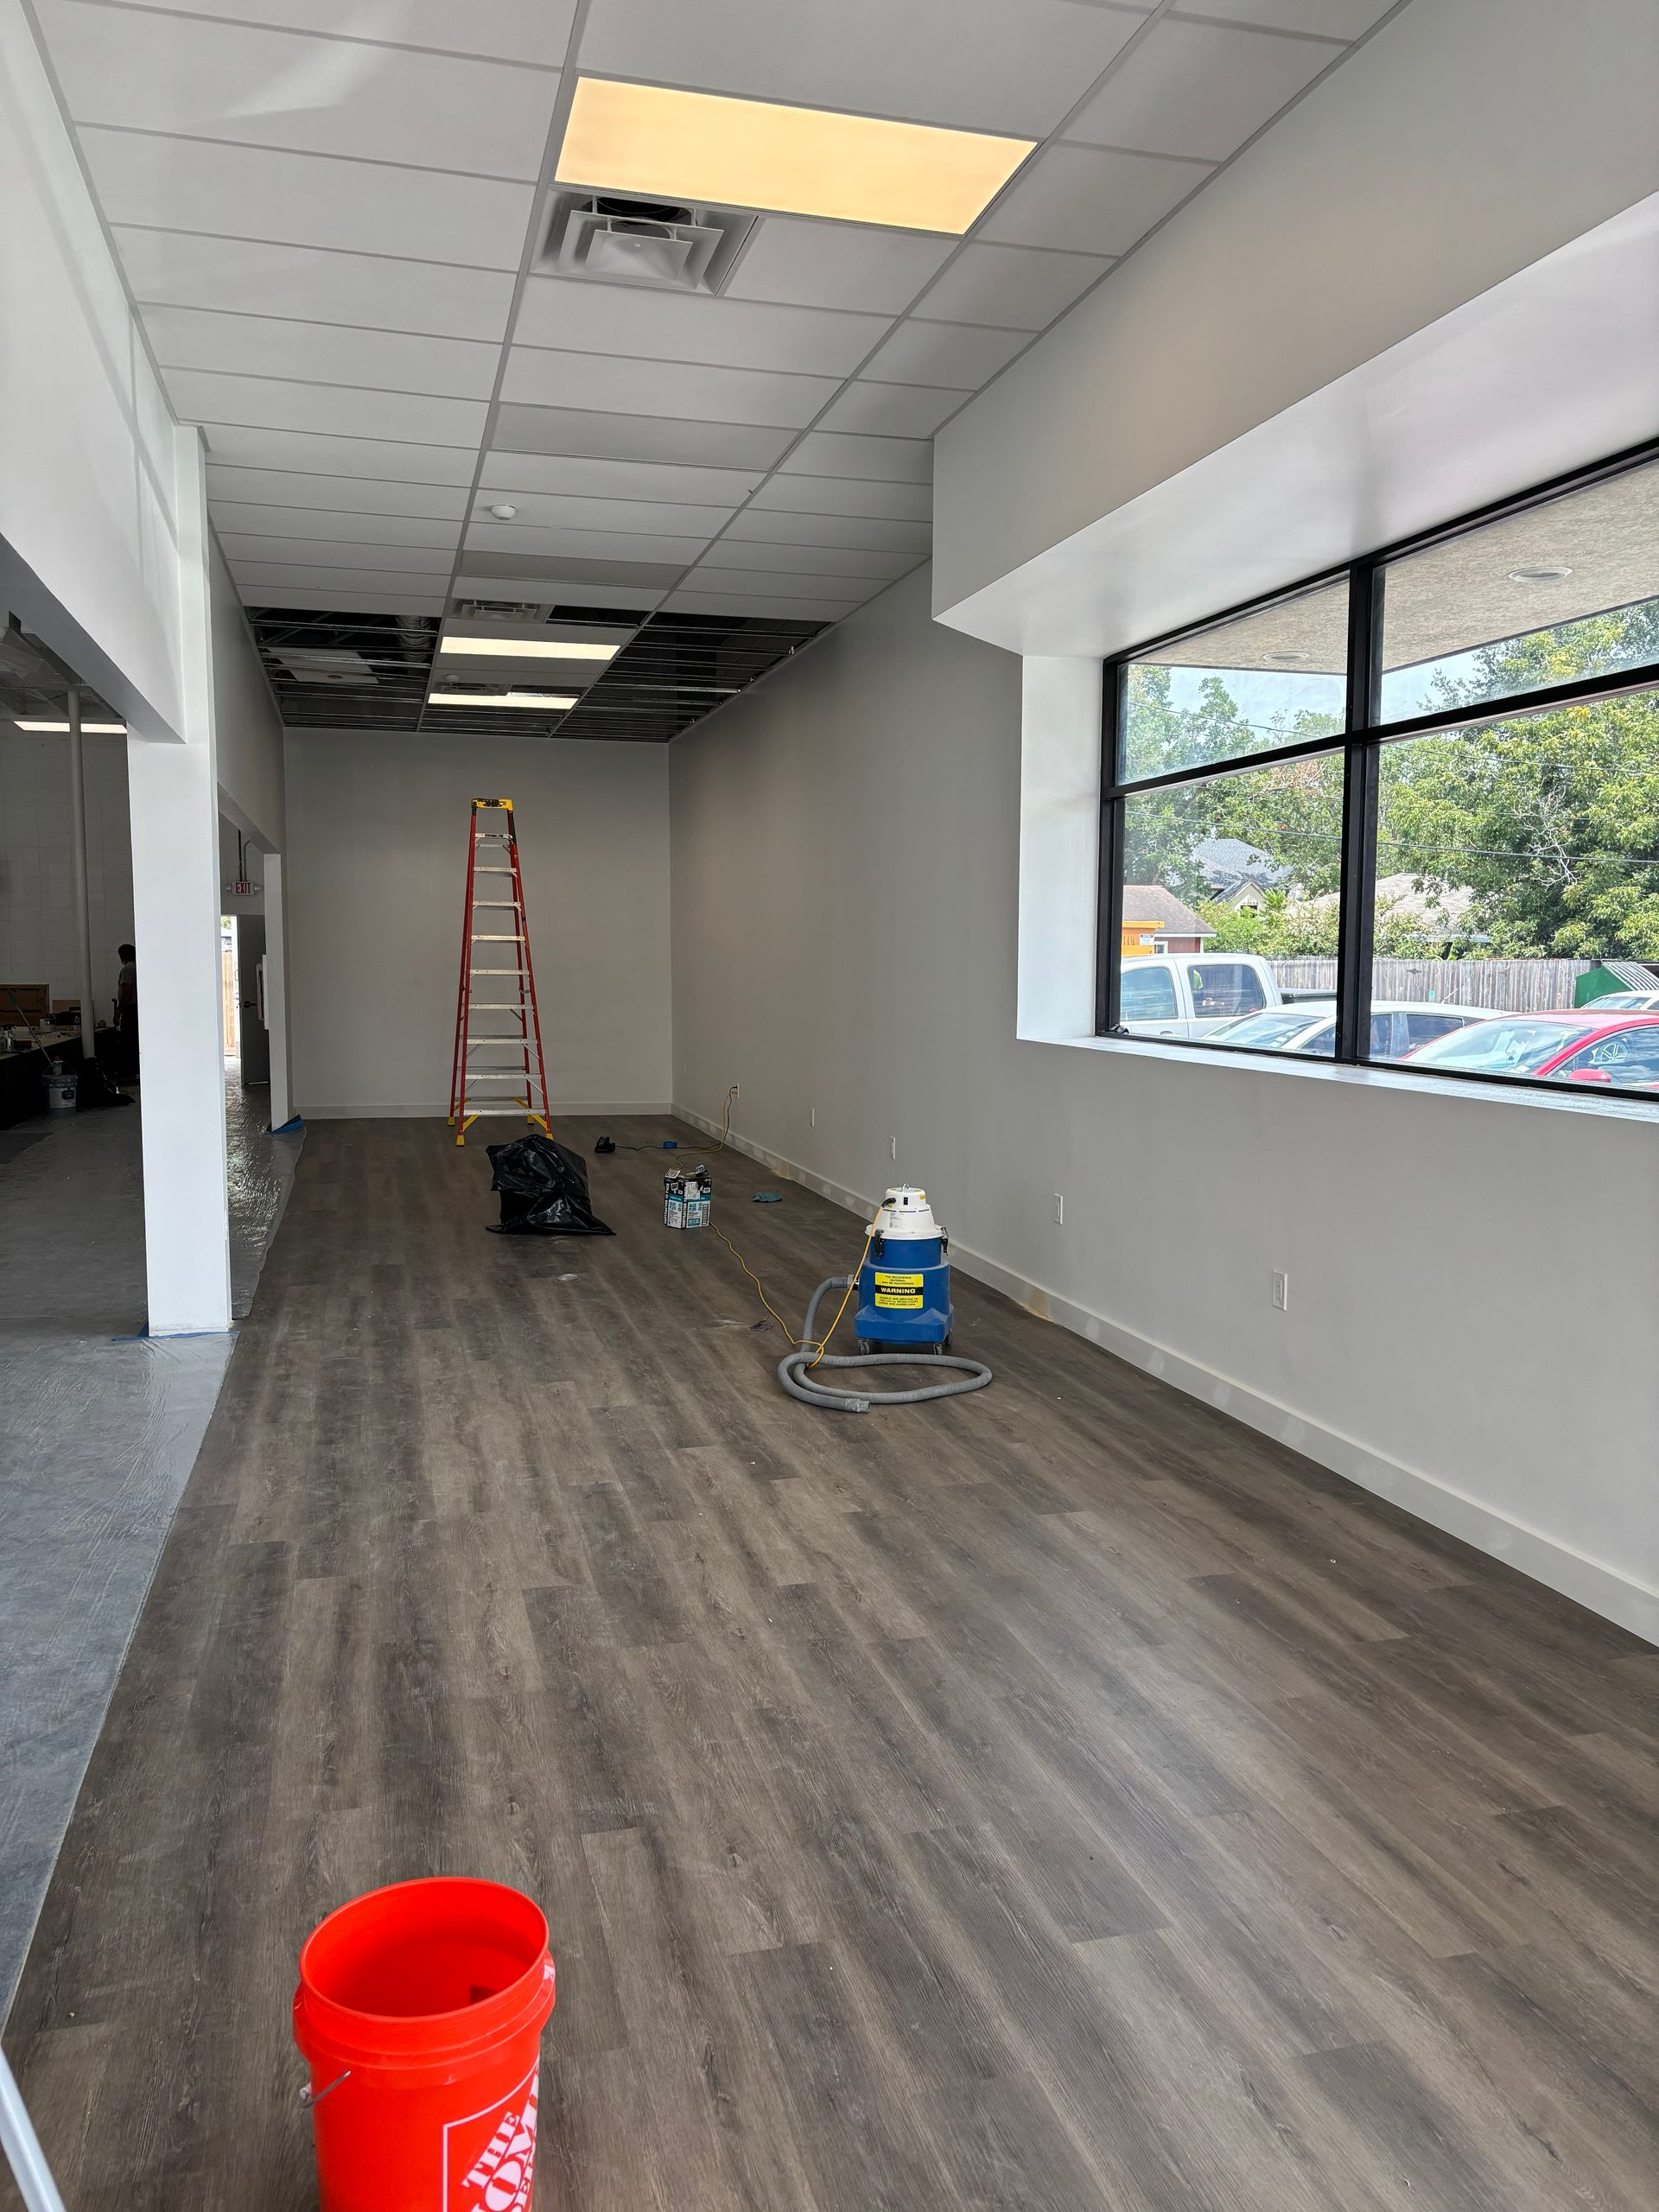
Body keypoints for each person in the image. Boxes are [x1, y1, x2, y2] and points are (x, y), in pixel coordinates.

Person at [115, 943, 138, 1077]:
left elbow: (127, 991)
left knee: (127, 1040)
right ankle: (134, 1070)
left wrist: (119, 1010)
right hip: (136, 1009)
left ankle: (128, 1071)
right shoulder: (137, 967)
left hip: (130, 1009)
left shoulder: (127, 970)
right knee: (134, 1040)